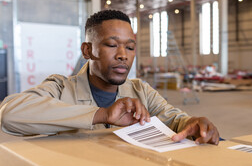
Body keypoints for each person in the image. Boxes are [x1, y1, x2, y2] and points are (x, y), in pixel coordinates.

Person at [0, 10, 219, 145]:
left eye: (130, 47)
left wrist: (193, 123)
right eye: (112, 45)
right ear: (87, 51)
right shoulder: (61, 89)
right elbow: (10, 115)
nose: (123, 55)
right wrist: (102, 114)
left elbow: (174, 118)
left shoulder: (140, 91)